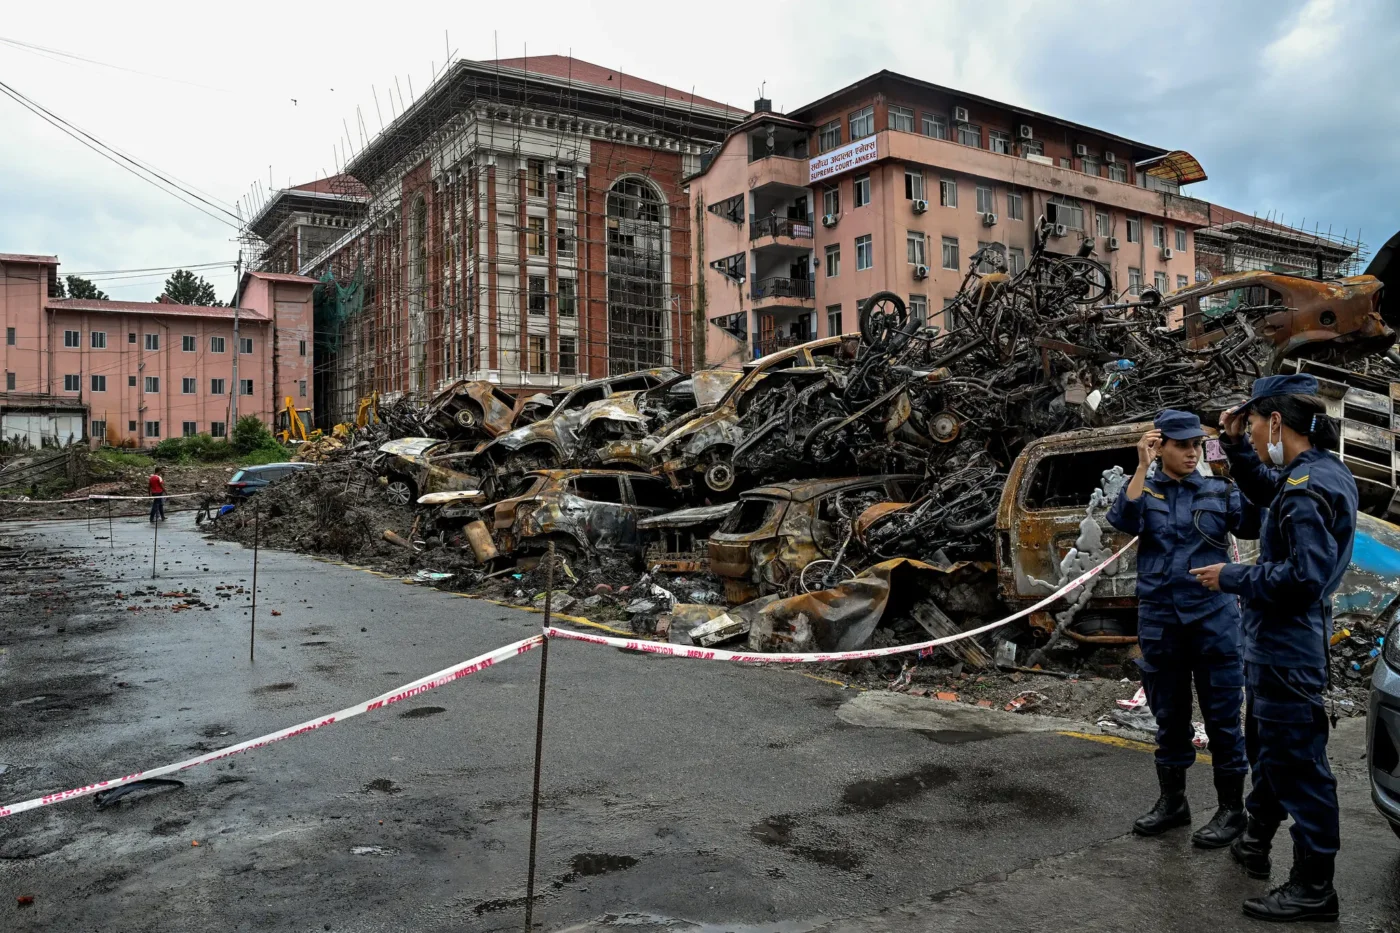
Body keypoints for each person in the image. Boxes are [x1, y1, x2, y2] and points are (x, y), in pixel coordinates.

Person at [1190, 373, 1353, 923]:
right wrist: (1233, 443)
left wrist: (1234, 577)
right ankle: (1256, 840)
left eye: (1256, 425)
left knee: (1298, 765)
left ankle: (1313, 886)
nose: (1256, 435)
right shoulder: (1318, 472)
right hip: (1279, 647)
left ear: (1278, 422)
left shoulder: (1309, 489)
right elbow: (1268, 491)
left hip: (1287, 649)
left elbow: (1303, 579)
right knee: (1273, 752)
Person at [1107, 409, 1258, 847]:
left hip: (1213, 621)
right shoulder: (1146, 489)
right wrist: (1140, 465)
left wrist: (1244, 470)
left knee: (1223, 720)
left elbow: (1250, 522)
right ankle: (1173, 803)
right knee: (1169, 719)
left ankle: (1232, 811)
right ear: (1161, 447)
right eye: (1182, 445)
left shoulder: (1217, 489)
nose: (1192, 452)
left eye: (1196, 444)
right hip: (1161, 622)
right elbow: (1123, 520)